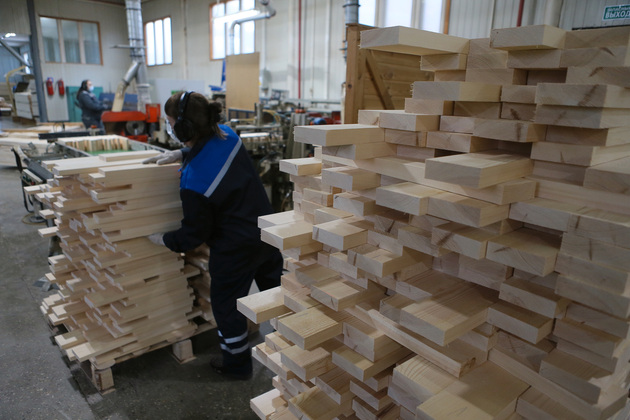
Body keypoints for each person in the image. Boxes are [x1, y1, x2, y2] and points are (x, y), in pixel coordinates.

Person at [144, 91, 283, 380]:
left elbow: (193, 235)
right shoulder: (229, 136)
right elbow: (212, 153)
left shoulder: (194, 180)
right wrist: (183, 153)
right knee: (278, 292)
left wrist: (165, 240)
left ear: (184, 128)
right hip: (267, 232)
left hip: (235, 248)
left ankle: (237, 366)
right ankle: (296, 345)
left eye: (170, 121)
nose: (168, 127)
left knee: (226, 306)